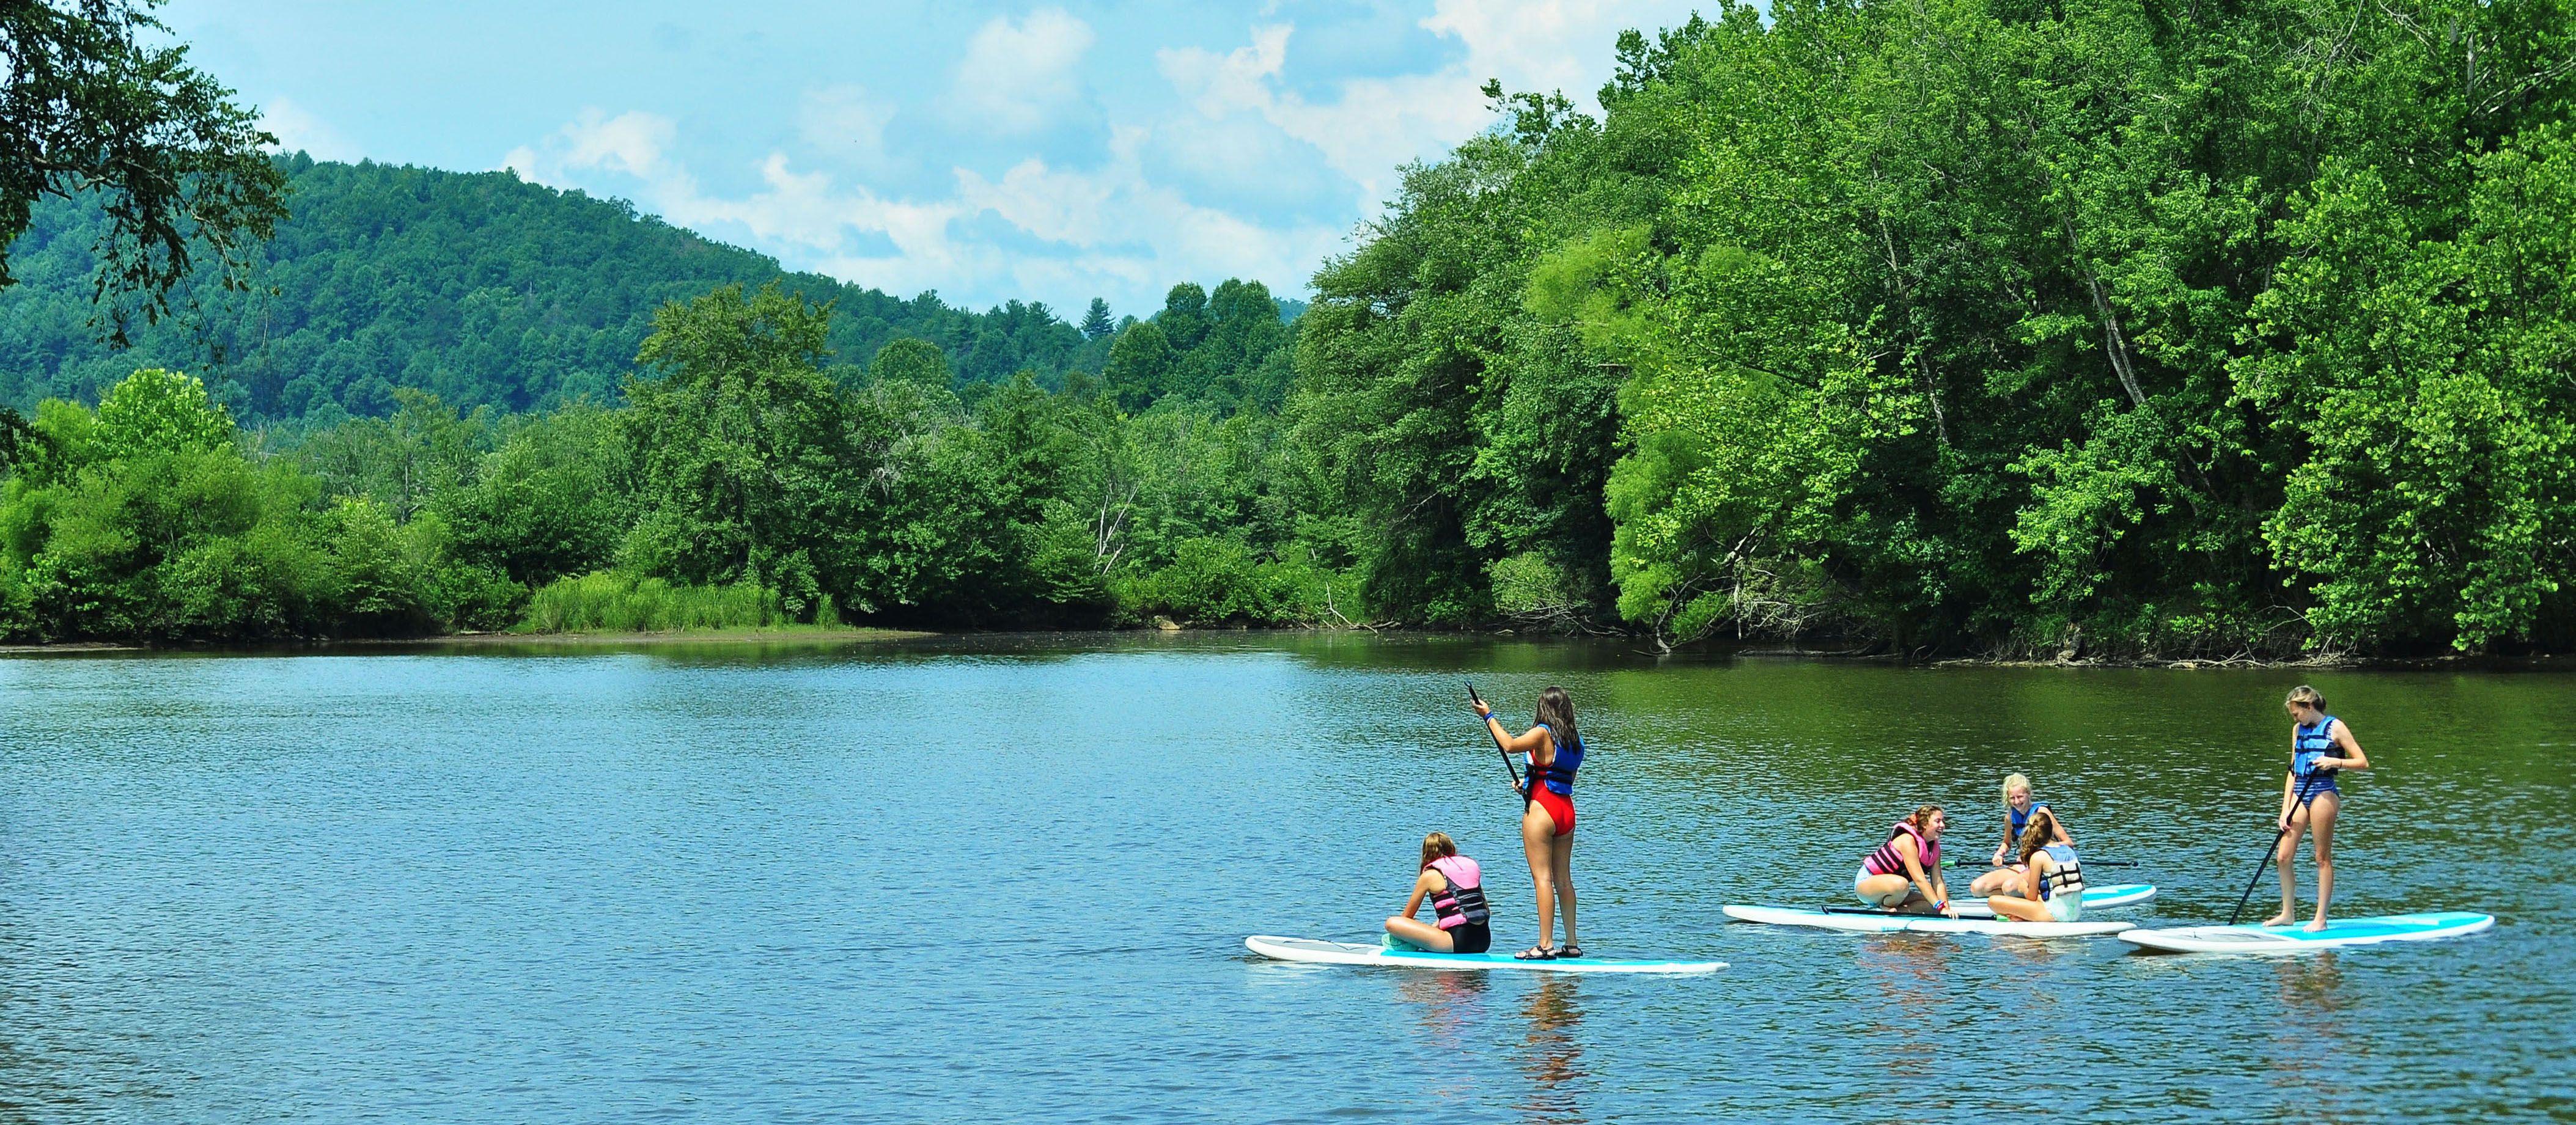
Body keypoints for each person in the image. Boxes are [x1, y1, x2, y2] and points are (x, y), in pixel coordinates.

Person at [1474, 686, 1584, 960]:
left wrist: (1489, 717)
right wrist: (1528, 784)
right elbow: (1562, 778)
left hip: (1542, 811)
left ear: (1544, 708)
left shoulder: (1543, 732)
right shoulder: (1575, 741)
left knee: (1543, 879)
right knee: (1564, 879)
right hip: (1566, 811)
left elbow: (1509, 745)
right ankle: (1572, 944)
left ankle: (1545, 945)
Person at [2269, 684, 2370, 931]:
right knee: (2283, 857)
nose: (2295, 718)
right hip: (2300, 791)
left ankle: (2320, 919)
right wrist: (2285, 809)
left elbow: (2363, 762)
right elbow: (2293, 769)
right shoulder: (2297, 730)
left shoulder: (2335, 727)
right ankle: (2288, 913)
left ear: (2309, 707)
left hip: (2323, 791)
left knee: (2321, 857)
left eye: (2297, 713)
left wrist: (2335, 761)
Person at [1385, 832, 1494, 954]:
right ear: (1452, 849)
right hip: (1484, 939)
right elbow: (1486, 911)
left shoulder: (1429, 875)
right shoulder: (1469, 867)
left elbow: (1406, 918)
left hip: (1458, 942)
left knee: (1392, 923)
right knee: (1443, 922)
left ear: (1426, 854)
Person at [1969, 773, 2075, 896]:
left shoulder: (2042, 812)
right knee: (1977, 888)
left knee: (2009, 888)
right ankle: (2020, 896)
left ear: (2028, 794)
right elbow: (2007, 843)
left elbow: (2068, 843)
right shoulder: (2010, 817)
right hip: (2024, 865)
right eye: (2012, 798)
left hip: (2043, 866)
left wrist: (2033, 853)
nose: (2017, 802)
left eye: (2020, 797)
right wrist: (2000, 854)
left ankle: (2025, 897)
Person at [1984, 807, 2085, 923]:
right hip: (2076, 912)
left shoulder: (2038, 857)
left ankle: (2021, 918)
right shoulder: (2068, 850)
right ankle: (2021, 917)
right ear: (2051, 831)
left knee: (1993, 901)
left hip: (2054, 914)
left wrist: (2023, 889)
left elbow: (2031, 897)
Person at [1855, 805, 1957, 917]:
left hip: (1894, 890)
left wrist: (1945, 910)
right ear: (1924, 824)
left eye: (1943, 821)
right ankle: (1883, 907)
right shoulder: (1907, 841)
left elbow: (1938, 883)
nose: (1943, 825)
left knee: (1931, 905)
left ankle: (1896, 912)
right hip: (1866, 884)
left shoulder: (1934, 849)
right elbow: (1919, 880)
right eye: (1938, 821)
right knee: (1902, 885)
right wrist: (1940, 907)